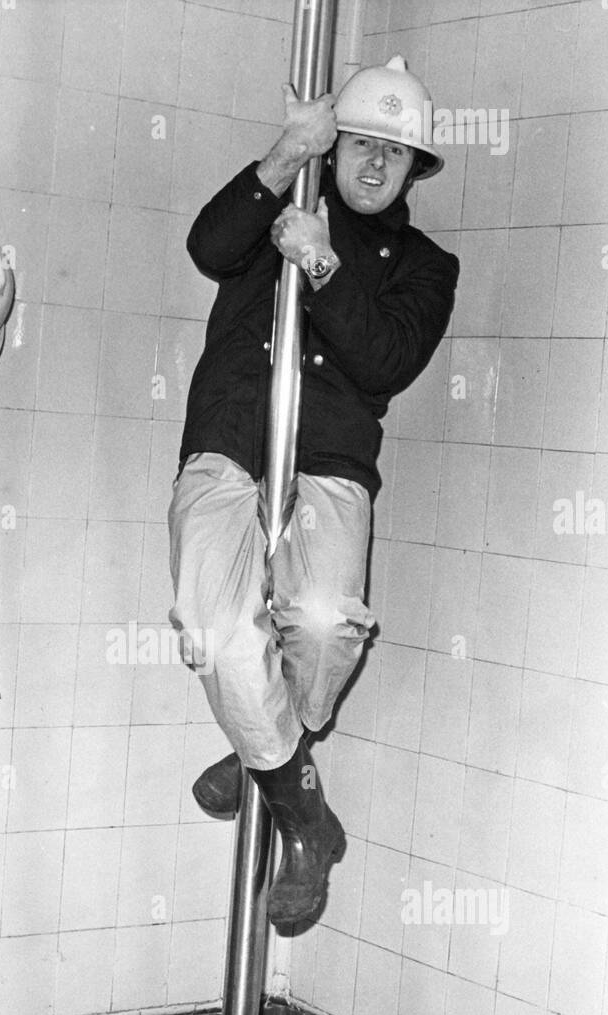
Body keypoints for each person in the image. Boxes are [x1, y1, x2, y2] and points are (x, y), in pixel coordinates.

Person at [170, 56, 460, 929]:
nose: (375, 164)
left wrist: (325, 267)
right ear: (334, 146)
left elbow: (386, 361)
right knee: (219, 639)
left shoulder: (426, 265)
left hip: (331, 459)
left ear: (416, 170)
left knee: (328, 625)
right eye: (362, 142)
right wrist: (281, 155)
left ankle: (268, 749)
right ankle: (305, 819)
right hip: (229, 443)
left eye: (396, 153)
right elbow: (205, 247)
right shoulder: (281, 203)